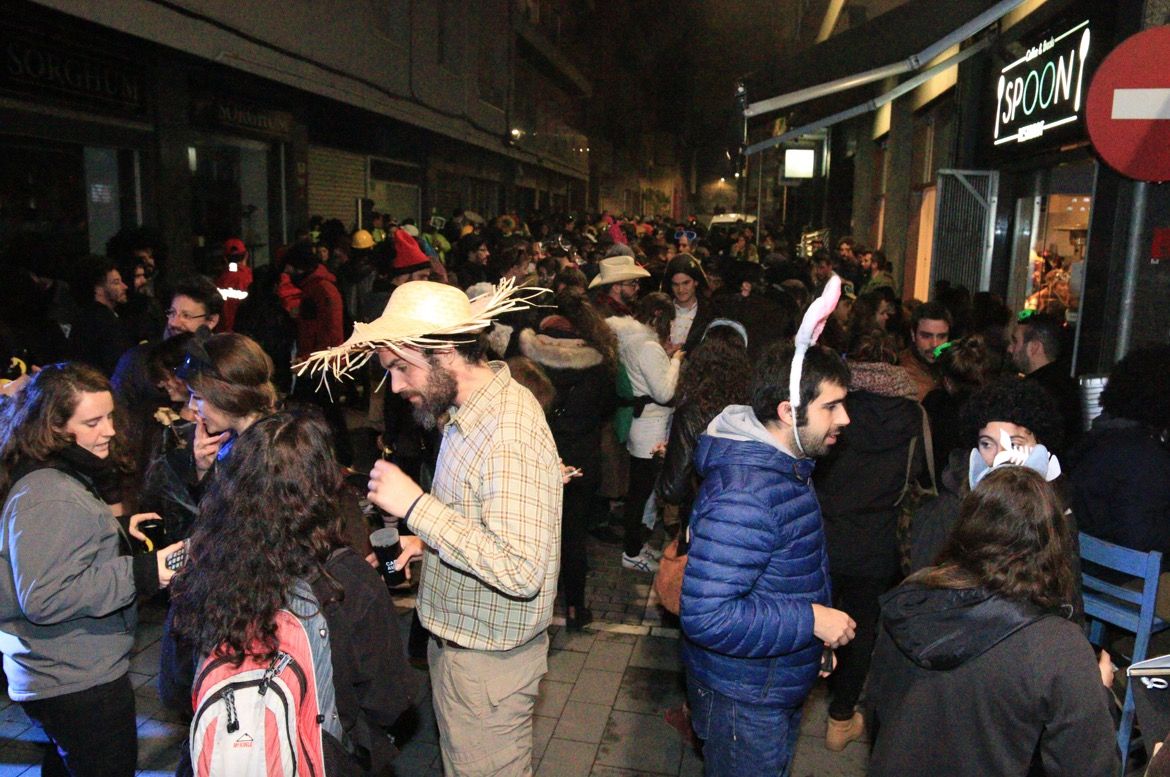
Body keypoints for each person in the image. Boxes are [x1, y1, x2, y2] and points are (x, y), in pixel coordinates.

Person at [303, 279, 561, 777]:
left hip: (488, 669)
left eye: (401, 367)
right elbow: (482, 522)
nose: (396, 387)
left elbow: (522, 569)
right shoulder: (466, 414)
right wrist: (422, 541)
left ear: (443, 352)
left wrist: (417, 506)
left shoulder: (506, 431)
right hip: (463, 655)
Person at [162, 410, 416, 776]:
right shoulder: (350, 581)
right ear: (324, 487)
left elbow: (174, 689)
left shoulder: (200, 571)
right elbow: (390, 702)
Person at [865, 467, 1118, 777]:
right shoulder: (1057, 646)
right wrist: (1099, 693)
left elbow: (877, 708)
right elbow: (1089, 766)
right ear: (1051, 544)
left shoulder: (911, 598)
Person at [680, 334, 857, 776]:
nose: (845, 419)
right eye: (831, 407)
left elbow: (785, 575)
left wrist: (809, 644)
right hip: (745, 700)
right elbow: (707, 616)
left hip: (769, 678)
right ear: (786, 412)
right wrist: (812, 621)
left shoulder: (786, 465)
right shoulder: (745, 494)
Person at [0, 363, 183, 776]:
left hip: (63, 672)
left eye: (110, 417)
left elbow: (48, 551)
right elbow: (45, 597)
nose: (109, 431)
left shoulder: (53, 476)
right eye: (93, 421)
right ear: (55, 427)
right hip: (76, 681)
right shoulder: (50, 494)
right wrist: (145, 572)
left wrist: (112, 530)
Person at [813, 331, 924, 751]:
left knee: (811, 621)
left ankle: (794, 697)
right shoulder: (915, 417)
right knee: (860, 631)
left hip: (822, 536)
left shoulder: (835, 410)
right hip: (876, 544)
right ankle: (840, 722)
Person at [518, 290, 618, 629]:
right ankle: (575, 607)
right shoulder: (600, 363)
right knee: (574, 535)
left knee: (537, 534)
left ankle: (538, 610)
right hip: (581, 457)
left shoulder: (528, 355)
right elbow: (607, 408)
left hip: (537, 453)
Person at [1071, 344, 1170, 613]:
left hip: (1088, 573)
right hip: (1121, 582)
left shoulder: (1101, 436)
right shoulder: (1145, 456)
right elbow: (1141, 540)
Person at [608, 292, 681, 572]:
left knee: (640, 491)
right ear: (658, 317)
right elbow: (664, 392)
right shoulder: (648, 346)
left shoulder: (630, 340)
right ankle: (631, 552)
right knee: (640, 494)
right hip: (651, 427)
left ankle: (636, 545)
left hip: (641, 424)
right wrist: (675, 361)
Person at [1008, 311, 1080, 454]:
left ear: (1034, 347)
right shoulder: (1069, 385)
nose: (1010, 349)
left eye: (1015, 341)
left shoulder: (1031, 393)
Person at [70, 255, 132, 375]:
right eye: (116, 282)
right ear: (98, 289)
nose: (125, 287)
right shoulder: (106, 322)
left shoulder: (82, 317)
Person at [900, 301, 951, 401]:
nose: (935, 344)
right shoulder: (901, 375)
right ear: (913, 335)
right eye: (926, 336)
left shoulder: (952, 366)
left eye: (942, 336)